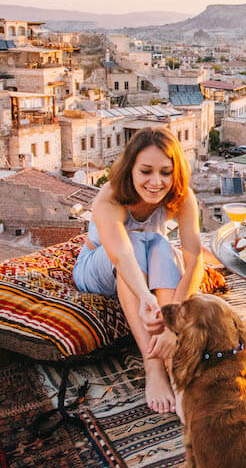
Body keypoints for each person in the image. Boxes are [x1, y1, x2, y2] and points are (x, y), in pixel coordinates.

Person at [73, 127, 203, 413]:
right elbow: (121, 255)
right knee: (136, 240)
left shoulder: (182, 198)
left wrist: (173, 321)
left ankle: (174, 365)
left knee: (159, 243)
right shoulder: (110, 197)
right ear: (130, 168)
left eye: (165, 172)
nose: (156, 182)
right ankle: (154, 364)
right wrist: (146, 296)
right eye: (146, 171)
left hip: (144, 261)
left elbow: (194, 258)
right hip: (98, 269)